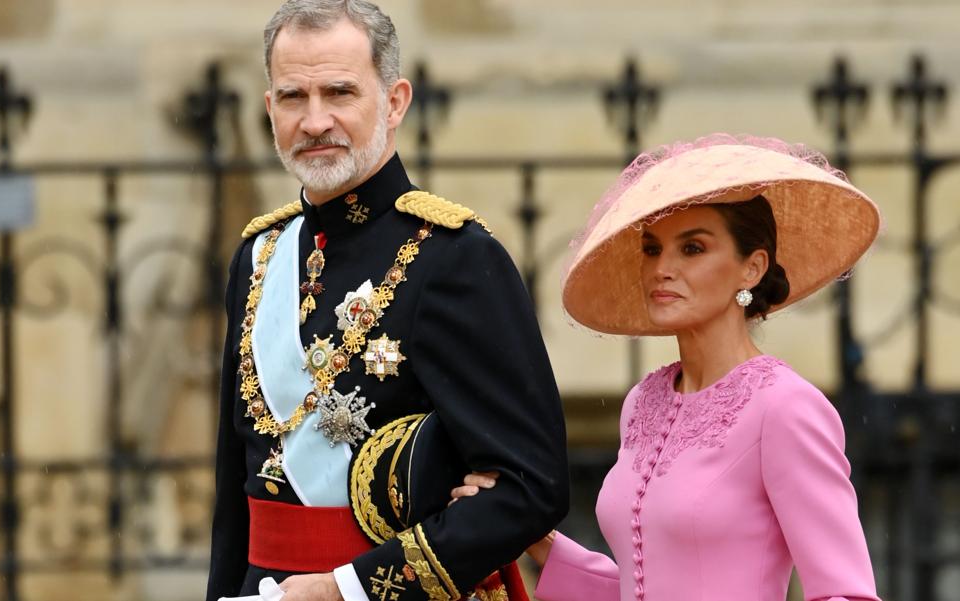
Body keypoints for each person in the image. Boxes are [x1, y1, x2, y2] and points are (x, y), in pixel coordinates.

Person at [205, 2, 570, 601]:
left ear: (395, 101)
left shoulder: (453, 258)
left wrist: (347, 589)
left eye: (340, 93)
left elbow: (532, 485)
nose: (315, 120)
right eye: (294, 97)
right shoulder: (260, 255)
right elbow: (234, 489)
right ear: (270, 110)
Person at [452, 135, 883, 601]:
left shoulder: (786, 407)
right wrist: (538, 541)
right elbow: (638, 587)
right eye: (653, 249)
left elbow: (847, 592)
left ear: (752, 268)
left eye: (693, 249)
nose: (662, 268)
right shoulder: (644, 402)